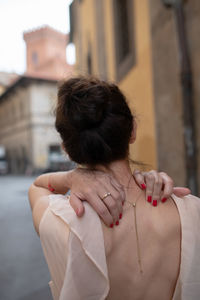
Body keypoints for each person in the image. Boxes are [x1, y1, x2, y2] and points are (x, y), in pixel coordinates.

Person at [29, 77, 199, 300]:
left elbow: (37, 186)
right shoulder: (193, 211)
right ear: (133, 131)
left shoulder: (60, 220)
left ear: (68, 150)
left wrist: (71, 178)